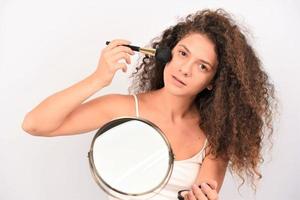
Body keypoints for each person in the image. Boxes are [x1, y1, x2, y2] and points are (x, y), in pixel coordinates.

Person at [22, 9, 276, 200]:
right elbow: (34, 125)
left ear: (213, 81)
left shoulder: (215, 138)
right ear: (167, 53)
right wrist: (98, 78)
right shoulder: (123, 109)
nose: (184, 69)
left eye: (202, 66)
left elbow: (205, 192)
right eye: (183, 53)